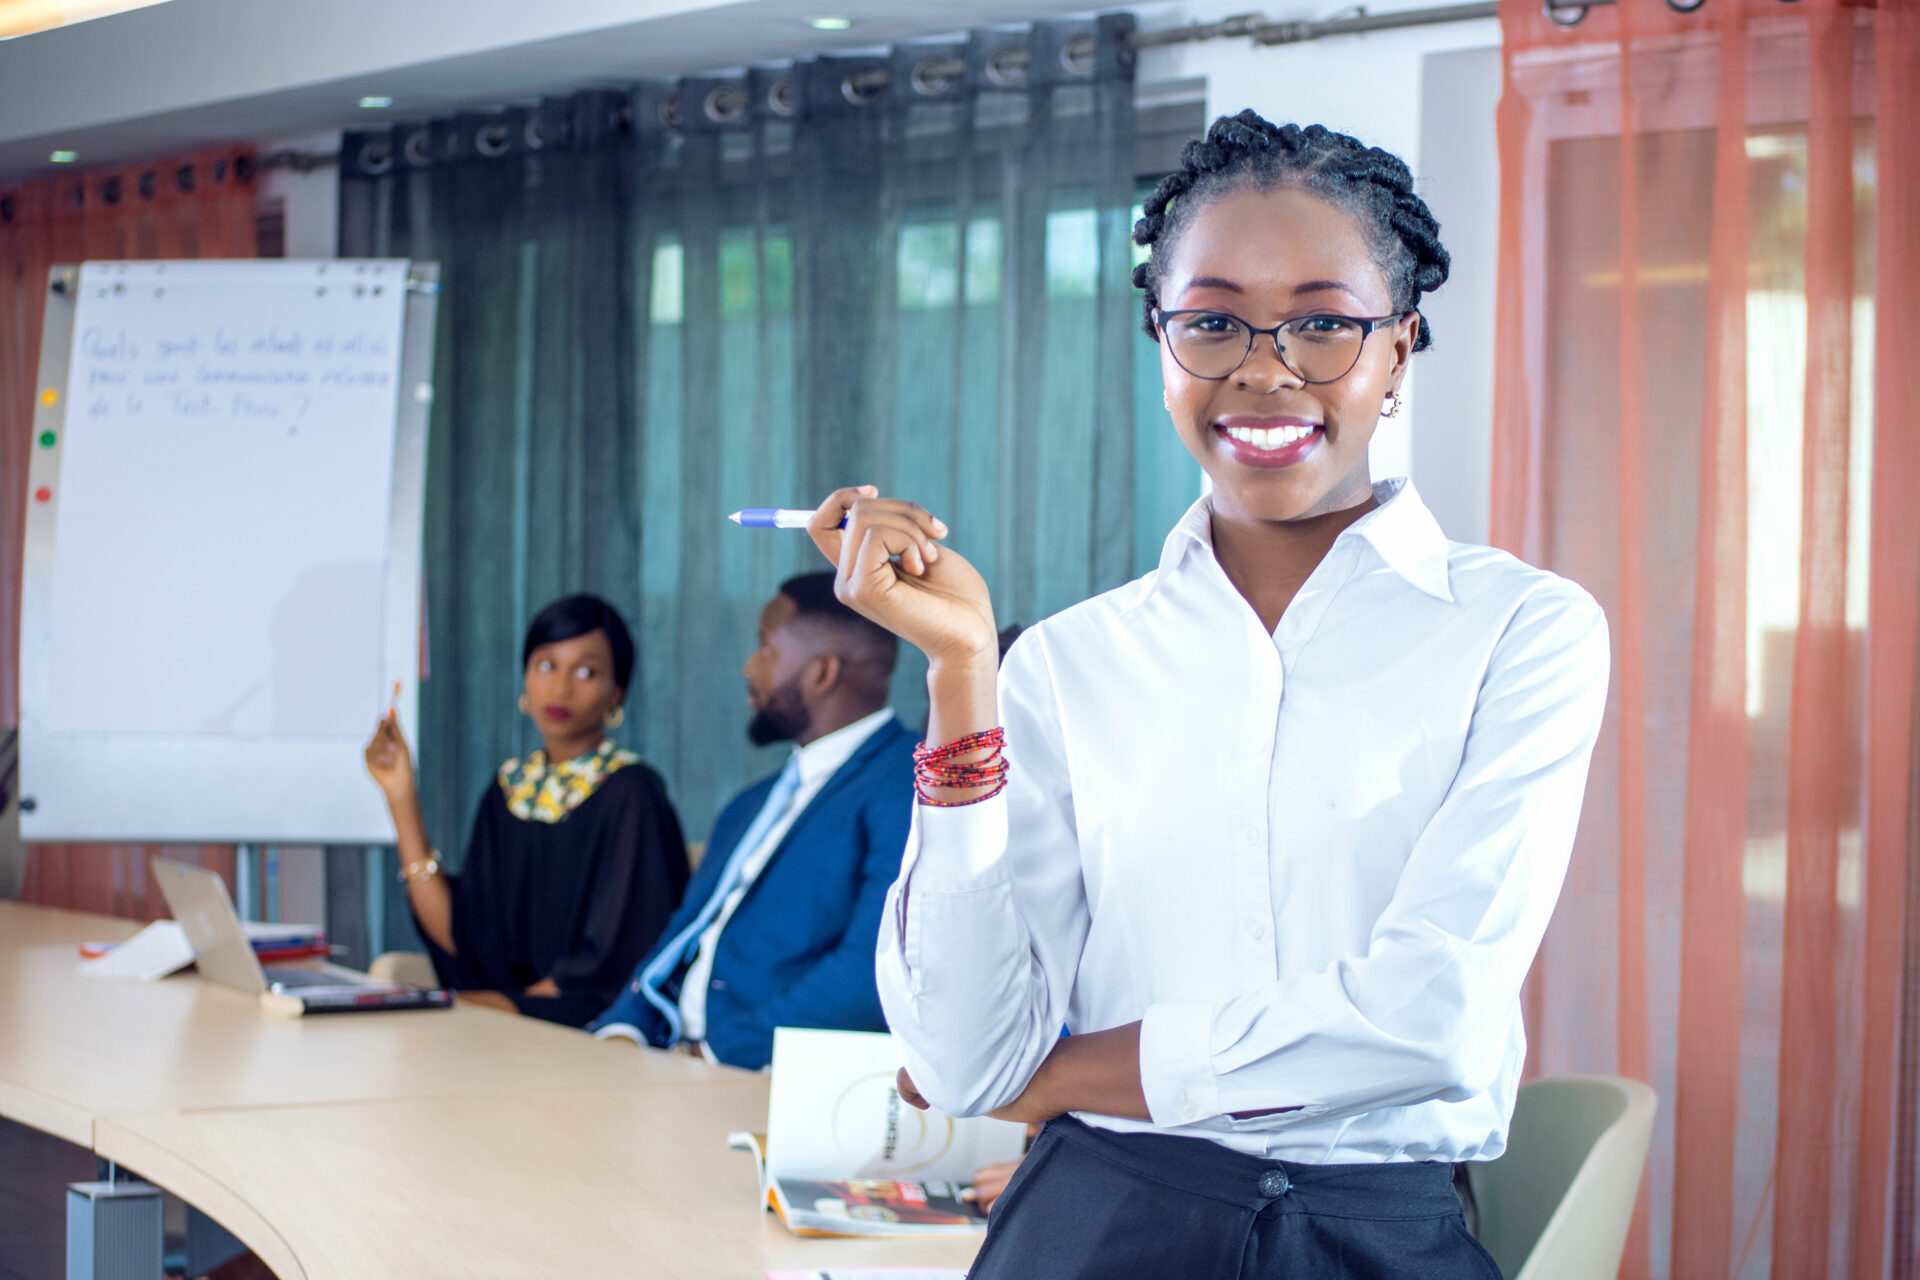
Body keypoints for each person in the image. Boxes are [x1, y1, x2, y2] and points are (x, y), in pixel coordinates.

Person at [807, 112, 1611, 1277]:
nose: (1266, 366)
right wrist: (960, 674)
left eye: (1327, 322)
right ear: (1161, 336)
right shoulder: (1062, 661)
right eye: (1214, 319)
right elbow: (957, 1040)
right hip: (1092, 1216)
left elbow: (1430, 1016)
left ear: (1400, 347)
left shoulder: (1522, 630)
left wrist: (1050, 1075)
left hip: (1372, 1236)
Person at [589, 571, 916, 1070]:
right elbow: (682, 935)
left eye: (764, 648)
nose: (748, 667)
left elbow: (872, 971)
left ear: (821, 673)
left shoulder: (912, 786)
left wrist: (715, 1052)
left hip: (755, 1076)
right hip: (661, 1059)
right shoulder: (750, 806)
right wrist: (623, 1031)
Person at [363, 594, 689, 1028]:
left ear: (616, 692)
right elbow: (462, 936)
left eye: (586, 671)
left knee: (431, 1021)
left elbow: (616, 962)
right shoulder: (510, 788)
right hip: (507, 1013)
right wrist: (400, 796)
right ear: (525, 678)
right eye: (547, 665)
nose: (561, 687)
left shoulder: (632, 791)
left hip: (596, 1019)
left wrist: (505, 1009)